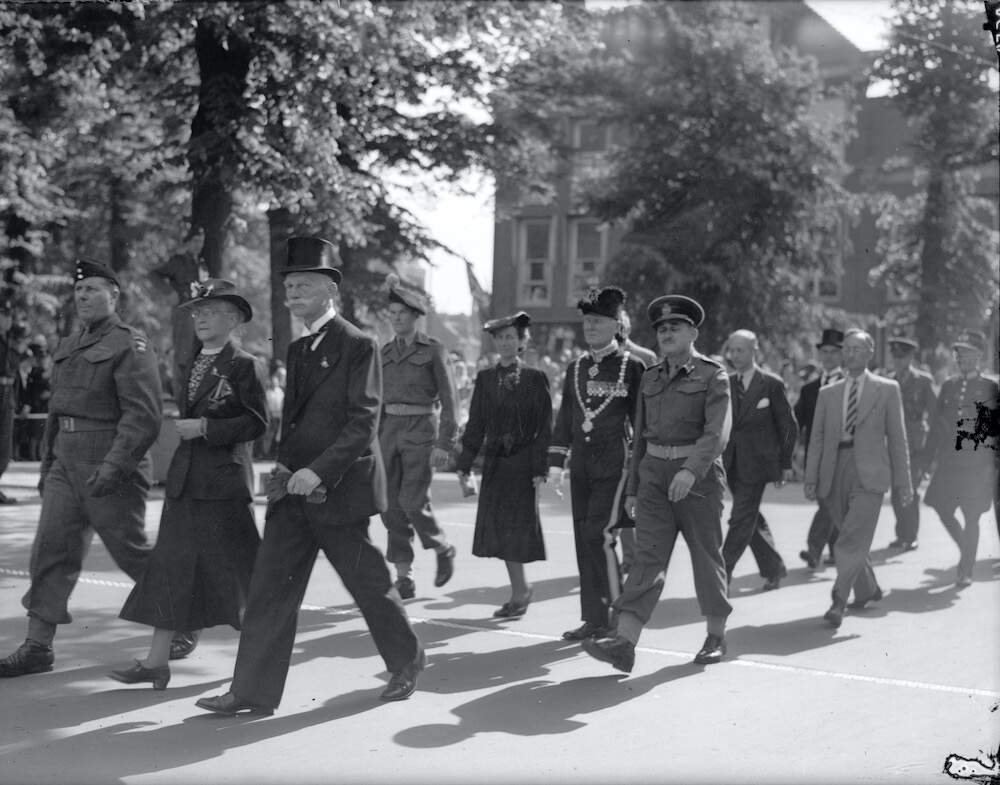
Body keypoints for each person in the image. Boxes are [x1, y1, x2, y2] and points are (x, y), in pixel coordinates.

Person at [196, 236, 423, 716]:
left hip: (338, 490)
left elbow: (363, 421)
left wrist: (317, 472)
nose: (292, 293)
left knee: (369, 586)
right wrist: (284, 467)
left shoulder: (358, 344)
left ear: (328, 291)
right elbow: (295, 420)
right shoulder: (299, 348)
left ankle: (407, 662)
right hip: (294, 492)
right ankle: (250, 691)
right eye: (289, 286)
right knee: (269, 590)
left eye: (303, 285)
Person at [0, 259, 163, 678]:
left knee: (129, 549)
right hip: (65, 460)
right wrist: (47, 462)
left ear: (114, 295)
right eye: (79, 290)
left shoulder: (131, 344)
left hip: (110, 457)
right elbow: (57, 411)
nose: (83, 296)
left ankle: (179, 620)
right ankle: (38, 645)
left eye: (93, 288)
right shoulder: (70, 345)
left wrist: (115, 465)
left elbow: (142, 416)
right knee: (50, 549)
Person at [109, 280, 266, 690]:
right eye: (197, 312)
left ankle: (257, 667)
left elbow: (257, 423)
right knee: (170, 570)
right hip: (186, 481)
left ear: (233, 319)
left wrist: (207, 427)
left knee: (242, 577)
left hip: (223, 486)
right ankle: (156, 663)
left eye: (210, 311)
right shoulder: (192, 360)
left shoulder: (244, 364)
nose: (200, 319)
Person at [582, 295, 732, 673]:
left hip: (697, 481)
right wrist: (632, 488)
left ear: (693, 332)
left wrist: (690, 470)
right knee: (647, 559)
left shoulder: (713, 375)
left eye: (675, 327)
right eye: (661, 329)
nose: (666, 334)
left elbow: (717, 434)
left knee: (706, 556)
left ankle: (715, 635)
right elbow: (641, 439)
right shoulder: (650, 376)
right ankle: (625, 642)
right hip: (652, 477)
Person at [549, 287, 645, 641]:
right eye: (587, 321)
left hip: (615, 464)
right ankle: (594, 618)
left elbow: (640, 422)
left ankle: (617, 617)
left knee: (599, 535)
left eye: (598, 321)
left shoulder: (632, 367)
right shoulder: (576, 367)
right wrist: (557, 462)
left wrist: (640, 469)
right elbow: (565, 418)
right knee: (582, 538)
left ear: (616, 325)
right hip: (583, 466)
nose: (590, 327)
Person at [804, 329, 912, 629]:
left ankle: (838, 600)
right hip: (833, 469)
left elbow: (898, 439)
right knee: (849, 533)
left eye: (857, 349)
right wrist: (811, 477)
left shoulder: (887, 389)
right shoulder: (828, 394)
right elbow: (817, 438)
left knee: (850, 538)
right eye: (846, 349)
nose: (850, 354)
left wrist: (904, 483)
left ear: (869, 353)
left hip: (870, 471)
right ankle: (867, 589)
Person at [455, 311, 551, 619]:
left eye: (512, 337)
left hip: (523, 466)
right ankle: (520, 589)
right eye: (500, 337)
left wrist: (540, 468)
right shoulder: (484, 379)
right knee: (500, 532)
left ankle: (520, 592)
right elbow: (476, 425)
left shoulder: (536, 379)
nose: (506, 342)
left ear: (522, 342)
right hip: (496, 465)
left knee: (517, 531)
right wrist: (464, 464)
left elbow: (544, 428)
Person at [379, 273, 458, 599]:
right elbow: (376, 402)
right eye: (393, 314)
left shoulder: (434, 351)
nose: (397, 320)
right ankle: (404, 574)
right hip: (388, 434)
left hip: (421, 431)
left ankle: (441, 546)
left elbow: (451, 399)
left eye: (403, 314)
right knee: (389, 507)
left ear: (415, 317)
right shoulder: (382, 353)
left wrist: (445, 443)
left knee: (412, 501)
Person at [920, 329, 999, 588]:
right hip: (949, 463)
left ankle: (965, 569)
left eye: (966, 353)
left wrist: (992, 467)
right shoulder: (949, 386)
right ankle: (967, 547)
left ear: (978, 357)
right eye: (959, 353)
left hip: (977, 466)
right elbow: (936, 426)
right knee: (942, 508)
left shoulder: (989, 387)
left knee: (972, 516)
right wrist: (926, 461)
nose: (961, 357)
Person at [721, 330, 797, 591]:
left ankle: (722, 572)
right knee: (749, 516)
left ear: (754, 351)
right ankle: (773, 567)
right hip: (731, 462)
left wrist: (786, 464)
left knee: (740, 517)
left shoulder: (771, 384)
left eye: (741, 350)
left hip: (759, 464)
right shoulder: (725, 383)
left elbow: (788, 426)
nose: (735, 355)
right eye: (732, 350)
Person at [794, 328, 845, 569]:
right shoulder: (809, 389)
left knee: (828, 501)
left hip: (843, 455)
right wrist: (790, 450)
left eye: (834, 352)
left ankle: (814, 550)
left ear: (842, 355)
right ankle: (835, 549)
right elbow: (797, 422)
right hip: (816, 457)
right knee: (827, 502)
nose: (829, 357)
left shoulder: (850, 386)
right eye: (825, 352)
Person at [883, 334, 936, 552]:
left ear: (910, 357)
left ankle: (911, 535)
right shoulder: (888, 381)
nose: (898, 361)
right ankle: (901, 533)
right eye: (895, 357)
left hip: (915, 446)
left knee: (911, 491)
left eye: (902, 357)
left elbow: (933, 414)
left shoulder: (923, 381)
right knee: (896, 493)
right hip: (893, 445)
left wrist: (932, 451)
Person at [614, 309, 658, 574]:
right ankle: (628, 557)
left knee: (636, 500)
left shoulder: (645, 357)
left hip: (640, 436)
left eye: (620, 324)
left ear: (626, 327)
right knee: (619, 502)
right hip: (615, 439)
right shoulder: (599, 356)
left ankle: (639, 557)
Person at [0, 299, 21, 503]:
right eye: (3, 315)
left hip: (7, 394)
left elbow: (16, 373)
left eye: (8, 315)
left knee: (4, 445)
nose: (7, 319)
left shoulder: (11, 339)